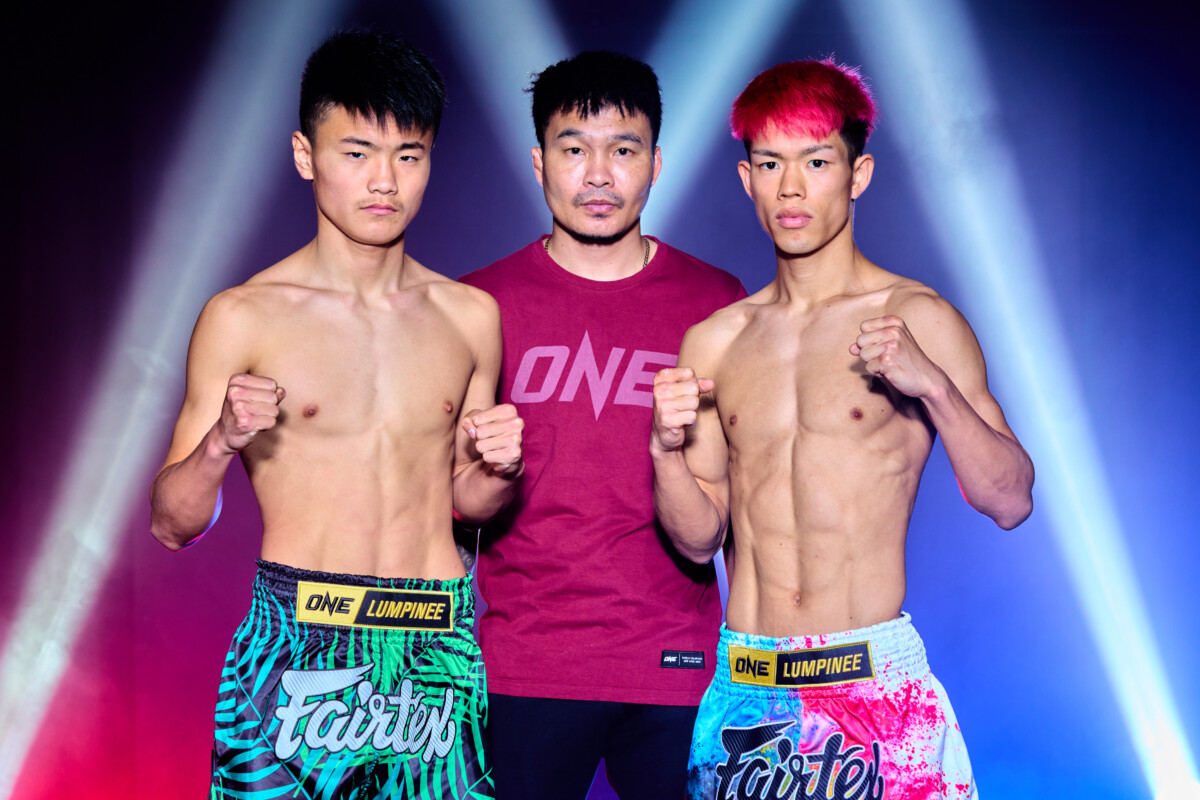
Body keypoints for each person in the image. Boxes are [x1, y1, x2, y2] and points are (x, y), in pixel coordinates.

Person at [149, 29, 521, 800]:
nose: (384, 181)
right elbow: (171, 524)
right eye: (357, 153)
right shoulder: (244, 316)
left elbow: (470, 504)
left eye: (408, 156)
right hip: (298, 646)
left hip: (435, 644)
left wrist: (498, 469)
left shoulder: (469, 317)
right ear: (304, 154)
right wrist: (221, 442)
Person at [651, 60, 1034, 799]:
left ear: (858, 175)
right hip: (746, 692)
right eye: (771, 164)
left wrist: (934, 387)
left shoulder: (918, 318)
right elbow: (699, 541)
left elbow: (1010, 500)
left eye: (817, 162)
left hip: (872, 685)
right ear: (747, 179)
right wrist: (665, 451)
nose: (791, 188)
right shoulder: (716, 341)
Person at [459, 51, 745, 799]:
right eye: (573, 149)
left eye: (622, 150)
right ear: (538, 163)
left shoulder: (718, 302)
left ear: (655, 163)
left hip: (678, 667)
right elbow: (444, 505)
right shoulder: (476, 304)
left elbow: (729, 520)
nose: (597, 175)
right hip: (523, 667)